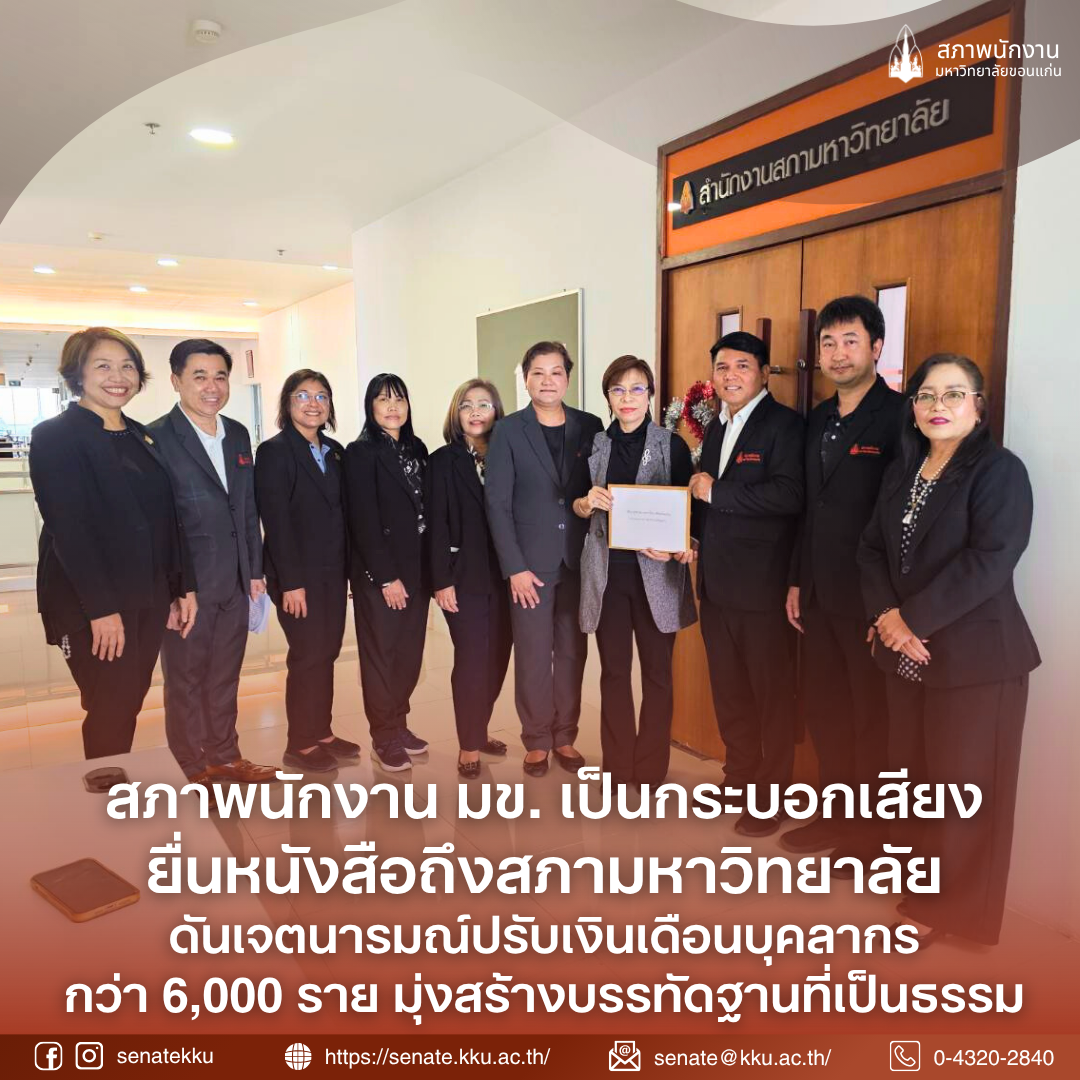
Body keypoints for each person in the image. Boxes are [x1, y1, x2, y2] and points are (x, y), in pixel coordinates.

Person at [858, 354, 1040, 946]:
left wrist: (909, 619)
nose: (939, 406)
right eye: (927, 395)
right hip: (904, 652)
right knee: (916, 784)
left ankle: (959, 913)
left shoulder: (999, 471)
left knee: (965, 792)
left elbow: (991, 559)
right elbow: (870, 550)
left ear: (978, 406)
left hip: (977, 658)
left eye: (954, 394)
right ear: (912, 407)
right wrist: (887, 616)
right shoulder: (904, 468)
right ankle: (922, 894)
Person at [29, 327, 197, 758]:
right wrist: (100, 609)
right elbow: (69, 530)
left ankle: (114, 782)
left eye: (127, 367)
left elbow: (168, 518)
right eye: (103, 366)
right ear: (77, 373)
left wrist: (180, 587)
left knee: (129, 699)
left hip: (147, 594)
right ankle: (105, 788)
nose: (118, 377)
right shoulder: (56, 436)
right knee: (110, 703)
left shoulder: (141, 435)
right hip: (91, 600)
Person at [782, 297, 903, 859]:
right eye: (827, 342)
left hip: (870, 600)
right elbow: (810, 509)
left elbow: (903, 519)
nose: (837, 353)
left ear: (876, 347)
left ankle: (869, 837)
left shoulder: (901, 417)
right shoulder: (817, 420)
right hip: (819, 594)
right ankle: (833, 819)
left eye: (850, 341)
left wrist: (890, 605)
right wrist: (796, 580)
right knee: (826, 709)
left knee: (869, 716)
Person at [689, 330, 804, 836]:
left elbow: (790, 495)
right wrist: (691, 537)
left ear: (762, 372)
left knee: (771, 695)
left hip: (763, 589)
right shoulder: (718, 426)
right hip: (716, 585)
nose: (730, 375)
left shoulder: (785, 426)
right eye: (722, 367)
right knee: (729, 689)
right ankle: (738, 777)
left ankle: (771, 796)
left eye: (741, 366)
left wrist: (719, 493)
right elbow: (703, 499)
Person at [148, 340, 277, 785]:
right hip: (189, 588)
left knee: (225, 675)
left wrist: (255, 570)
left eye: (220, 376)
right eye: (199, 376)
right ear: (176, 381)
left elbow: (247, 507)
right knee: (185, 680)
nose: (211, 386)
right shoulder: (156, 439)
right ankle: (191, 766)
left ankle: (226, 756)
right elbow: (157, 523)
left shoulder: (237, 434)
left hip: (235, 582)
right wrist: (171, 589)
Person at [575, 356, 697, 787]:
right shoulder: (594, 445)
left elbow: (689, 514)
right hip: (608, 578)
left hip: (657, 578)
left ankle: (650, 769)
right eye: (618, 390)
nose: (628, 398)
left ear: (650, 395)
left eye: (637, 388)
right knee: (613, 673)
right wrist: (586, 502)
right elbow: (575, 504)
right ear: (608, 397)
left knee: (658, 675)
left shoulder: (671, 445)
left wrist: (682, 546)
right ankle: (617, 766)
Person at [485, 342, 603, 777]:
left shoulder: (590, 426)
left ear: (568, 378)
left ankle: (565, 735)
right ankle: (536, 739)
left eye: (556, 372)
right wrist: (514, 567)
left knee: (572, 652)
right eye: (538, 372)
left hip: (578, 560)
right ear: (526, 378)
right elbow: (497, 503)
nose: (547, 380)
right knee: (534, 653)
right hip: (530, 565)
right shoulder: (508, 431)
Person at [255, 370, 358, 772]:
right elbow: (276, 520)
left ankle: (322, 732)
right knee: (308, 655)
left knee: (327, 652)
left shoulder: (334, 451)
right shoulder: (275, 452)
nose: (313, 404)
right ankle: (299, 743)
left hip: (333, 572)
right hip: (297, 576)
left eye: (321, 396)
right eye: (303, 395)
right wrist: (292, 583)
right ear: (287, 402)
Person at [427, 380, 512, 779]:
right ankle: (468, 745)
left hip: (508, 577)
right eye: (467, 405)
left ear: (497, 412)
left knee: (498, 659)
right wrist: (441, 580)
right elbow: (436, 525)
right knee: (473, 659)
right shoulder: (442, 461)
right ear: (456, 413)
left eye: (484, 404)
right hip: (463, 578)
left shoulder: (507, 456)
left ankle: (479, 728)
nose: (475, 411)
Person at [345, 374, 430, 773]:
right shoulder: (360, 453)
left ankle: (399, 723)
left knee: (408, 655)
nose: (393, 407)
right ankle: (383, 736)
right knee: (381, 656)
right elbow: (363, 519)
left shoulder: (417, 448)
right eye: (383, 399)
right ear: (371, 407)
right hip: (381, 575)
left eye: (399, 399)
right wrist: (385, 577)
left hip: (417, 571)